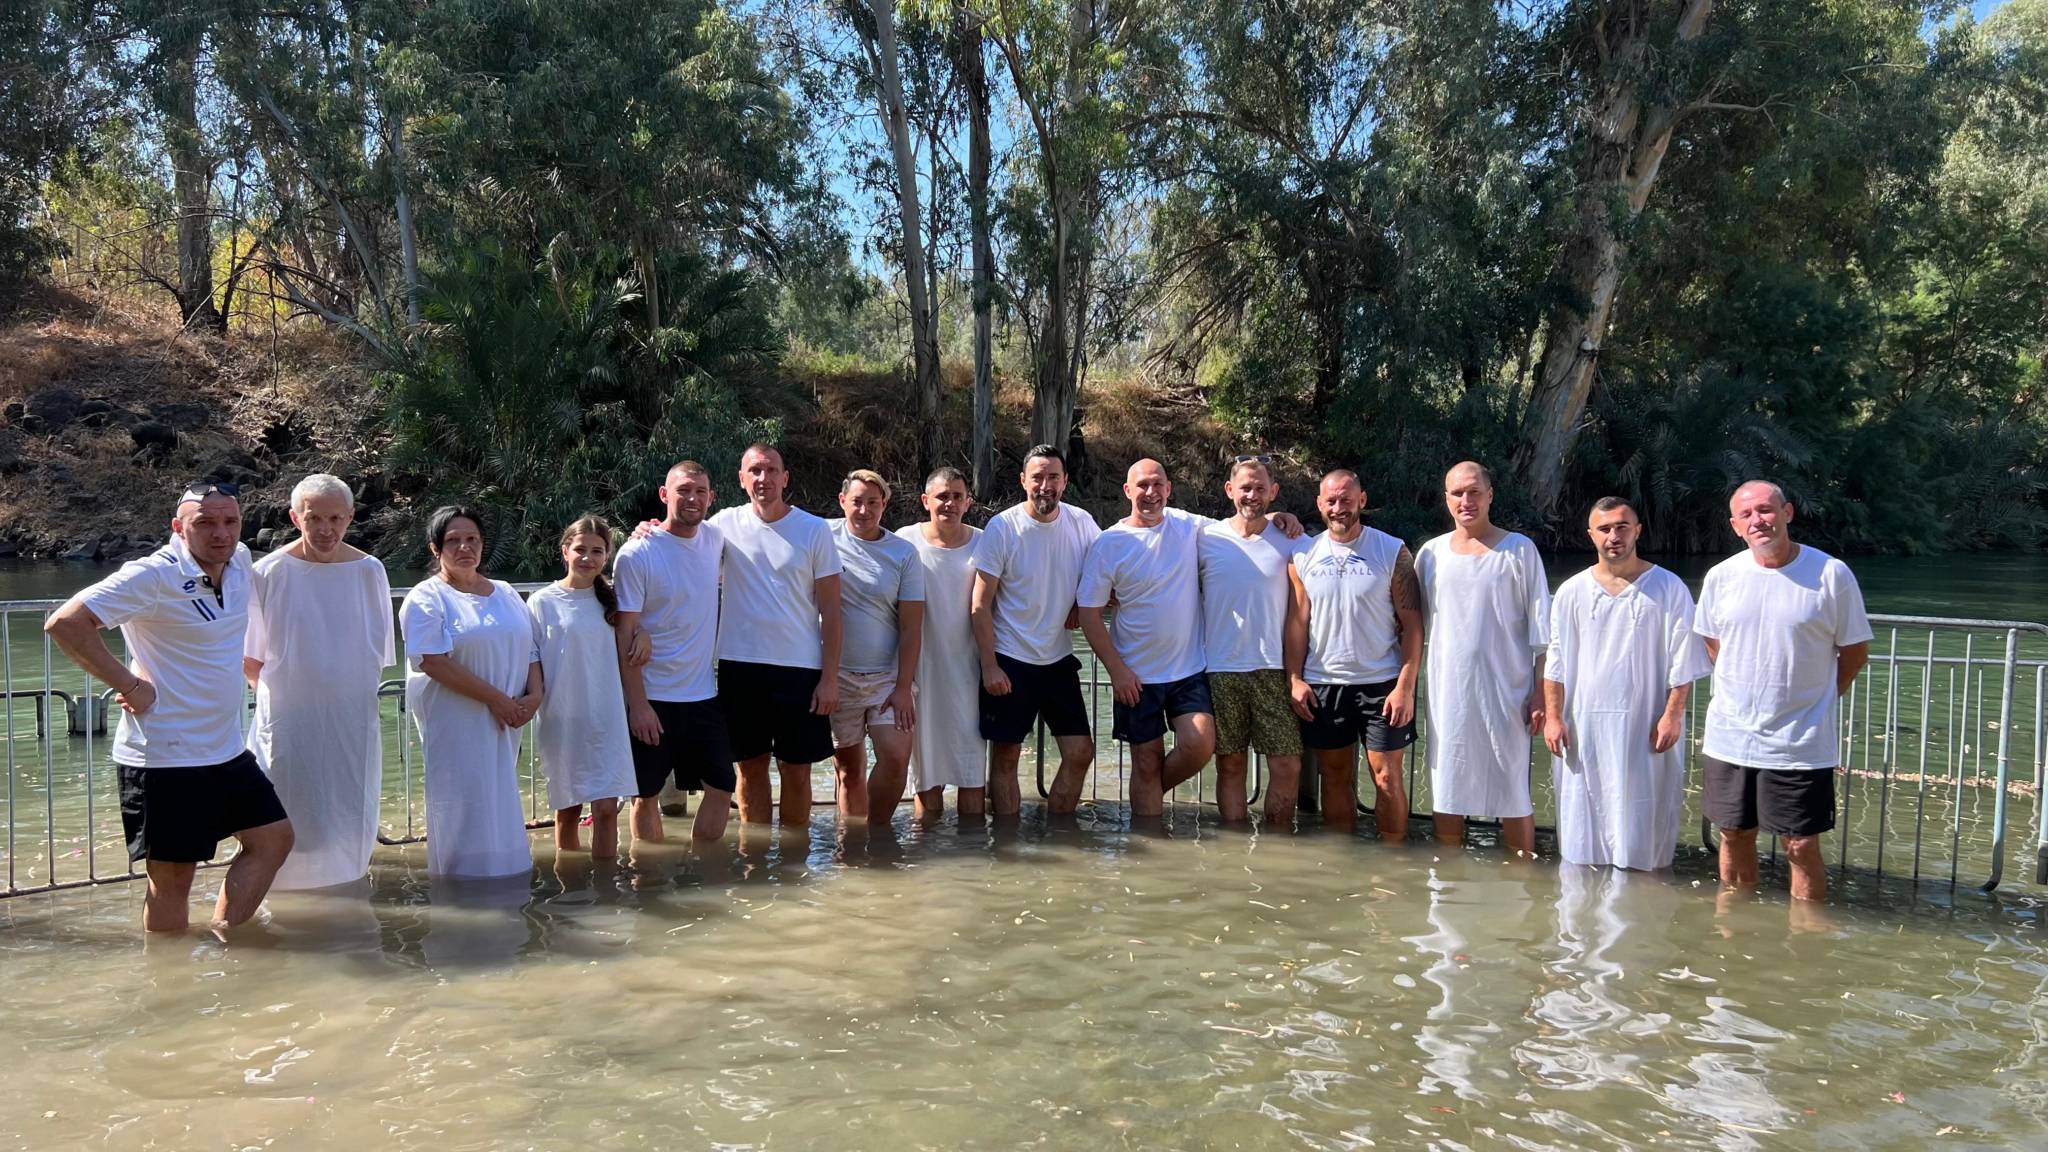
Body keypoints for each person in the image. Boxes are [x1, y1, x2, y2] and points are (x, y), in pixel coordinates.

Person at [45, 482, 293, 935]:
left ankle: (226, 939)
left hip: (225, 750)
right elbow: (65, 623)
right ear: (179, 528)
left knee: (273, 840)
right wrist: (130, 684)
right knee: (173, 882)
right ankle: (166, 971)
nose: (221, 533)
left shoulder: (239, 561)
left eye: (231, 522)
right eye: (206, 523)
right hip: (165, 757)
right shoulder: (152, 575)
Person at [1695, 480, 1871, 902]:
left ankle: (1805, 935)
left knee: (1800, 845)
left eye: (1766, 510)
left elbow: (1854, 652)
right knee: (1734, 834)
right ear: (1735, 526)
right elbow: (1713, 644)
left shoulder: (1831, 574)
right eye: (1746, 514)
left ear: (1787, 512)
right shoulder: (1722, 577)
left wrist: (1818, 700)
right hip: (1731, 736)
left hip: (1801, 740)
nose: (1758, 520)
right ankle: (1734, 928)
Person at [1541, 497, 1711, 870]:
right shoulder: (1571, 591)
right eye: (1604, 528)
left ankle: (1643, 895)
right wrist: (1553, 718)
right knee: (1583, 829)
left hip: (1647, 724)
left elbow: (1683, 659)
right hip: (1584, 726)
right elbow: (1556, 662)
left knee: (1644, 825)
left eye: (1622, 526)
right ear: (1591, 535)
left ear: (1637, 531)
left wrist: (1672, 716)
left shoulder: (1669, 587)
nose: (1613, 536)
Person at [242, 473, 393, 891]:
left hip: (351, 719)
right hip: (288, 720)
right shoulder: (267, 572)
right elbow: (251, 659)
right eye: (314, 519)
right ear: (296, 518)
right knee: (288, 806)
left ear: (350, 517)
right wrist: (286, 701)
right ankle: (282, 895)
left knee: (348, 806)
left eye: (335, 518)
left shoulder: (369, 571)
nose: (326, 529)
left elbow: (377, 654)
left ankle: (348, 891)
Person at [1415, 461, 1551, 857]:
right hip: (1448, 695)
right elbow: (1412, 626)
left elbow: (1544, 632)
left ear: (1490, 495)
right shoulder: (1431, 554)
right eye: (1457, 493)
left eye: (1474, 491)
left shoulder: (1519, 550)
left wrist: (1541, 693)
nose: (1466, 500)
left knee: (1513, 792)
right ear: (1446, 499)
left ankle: (1523, 875)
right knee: (1448, 787)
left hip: (1508, 695)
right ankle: (1447, 871)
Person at [399, 506, 542, 879]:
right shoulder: (427, 597)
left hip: (507, 720)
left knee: (499, 802)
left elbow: (530, 648)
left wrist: (535, 696)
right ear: (435, 549)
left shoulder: (506, 592)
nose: (464, 547)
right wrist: (496, 699)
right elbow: (432, 661)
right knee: (464, 808)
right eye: (453, 540)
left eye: (472, 539)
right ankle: (461, 893)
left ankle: (507, 886)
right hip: (457, 723)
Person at [710, 444, 843, 828]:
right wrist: (647, 529)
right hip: (740, 666)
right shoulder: (722, 525)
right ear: (741, 479)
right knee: (749, 768)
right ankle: (753, 854)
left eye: (771, 470)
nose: (763, 478)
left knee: (796, 770)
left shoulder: (814, 529)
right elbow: (679, 544)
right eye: (754, 471)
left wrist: (830, 679)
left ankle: (793, 856)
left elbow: (832, 612)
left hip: (800, 669)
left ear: (785, 478)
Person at [1285, 469, 1422, 839]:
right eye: (1330, 500)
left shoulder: (1392, 550)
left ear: (1361, 500)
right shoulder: (1302, 555)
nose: (1338, 508)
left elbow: (1413, 625)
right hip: (1324, 683)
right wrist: (1294, 678)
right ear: (1319, 504)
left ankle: (1393, 860)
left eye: (1346, 499)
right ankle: (1342, 858)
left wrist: (1406, 687)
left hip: (1383, 683)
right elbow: (1297, 623)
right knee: (1333, 776)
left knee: (1387, 777)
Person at [1077, 459, 1216, 819]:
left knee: (1200, 744)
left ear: (1169, 489)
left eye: (1157, 485)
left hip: (1188, 669)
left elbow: (1239, 531)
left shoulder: (1188, 526)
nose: (1150, 493)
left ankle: (1148, 794)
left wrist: (1279, 518)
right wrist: (1117, 671)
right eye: (1142, 485)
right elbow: (1089, 614)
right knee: (1145, 761)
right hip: (1135, 676)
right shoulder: (1109, 543)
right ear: (1127, 491)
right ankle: (1147, 840)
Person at [972, 445, 1101, 817]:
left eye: (1053, 477)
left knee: (1080, 752)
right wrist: (989, 666)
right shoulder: (1003, 527)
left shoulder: (1082, 523)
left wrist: (1080, 602)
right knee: (1007, 756)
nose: (1045, 486)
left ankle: (1060, 833)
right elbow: (980, 604)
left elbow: (1105, 572)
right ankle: (1007, 842)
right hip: (1010, 659)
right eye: (1038, 477)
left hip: (1059, 658)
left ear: (1065, 481)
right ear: (1023, 481)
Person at [614, 462, 734, 843]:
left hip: (702, 695)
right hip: (654, 696)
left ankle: (703, 867)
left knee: (722, 787)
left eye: (700, 491)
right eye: (683, 490)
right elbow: (625, 632)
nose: (692, 499)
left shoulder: (715, 539)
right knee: (645, 795)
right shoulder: (637, 553)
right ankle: (647, 873)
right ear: (665, 495)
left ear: (711, 498)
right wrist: (638, 706)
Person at [1198, 457, 1310, 826]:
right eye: (1245, 487)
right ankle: (1233, 845)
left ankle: (1277, 844)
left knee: (1287, 764)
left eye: (1261, 488)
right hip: (1220, 668)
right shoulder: (1205, 537)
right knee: (1231, 764)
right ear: (1229, 490)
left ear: (1273, 492)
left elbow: (1329, 572)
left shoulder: (1292, 539)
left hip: (1275, 668)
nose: (1252, 495)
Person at [527, 516, 639, 859]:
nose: (588, 558)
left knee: (606, 810)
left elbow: (636, 631)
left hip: (607, 717)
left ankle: (606, 882)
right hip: (562, 718)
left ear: (607, 556)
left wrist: (645, 634)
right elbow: (530, 659)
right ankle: (570, 883)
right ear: (565, 551)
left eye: (597, 551)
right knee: (569, 810)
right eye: (580, 549)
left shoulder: (615, 601)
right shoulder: (541, 602)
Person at [828, 470, 924, 824]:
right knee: (849, 771)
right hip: (837, 676)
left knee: (896, 758)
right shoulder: (822, 538)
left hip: (887, 677)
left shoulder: (903, 553)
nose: (864, 510)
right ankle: (852, 844)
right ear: (843, 502)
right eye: (856, 502)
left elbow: (912, 627)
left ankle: (878, 834)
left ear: (884, 504)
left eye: (872, 502)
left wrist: (903, 687)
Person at [896, 467, 986, 822]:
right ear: (925, 501)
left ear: (968, 502)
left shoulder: (985, 542)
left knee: (972, 771)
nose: (949, 503)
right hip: (921, 673)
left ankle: (974, 849)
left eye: (957, 496)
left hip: (970, 673)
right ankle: (926, 851)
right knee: (926, 774)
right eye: (942, 496)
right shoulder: (905, 541)